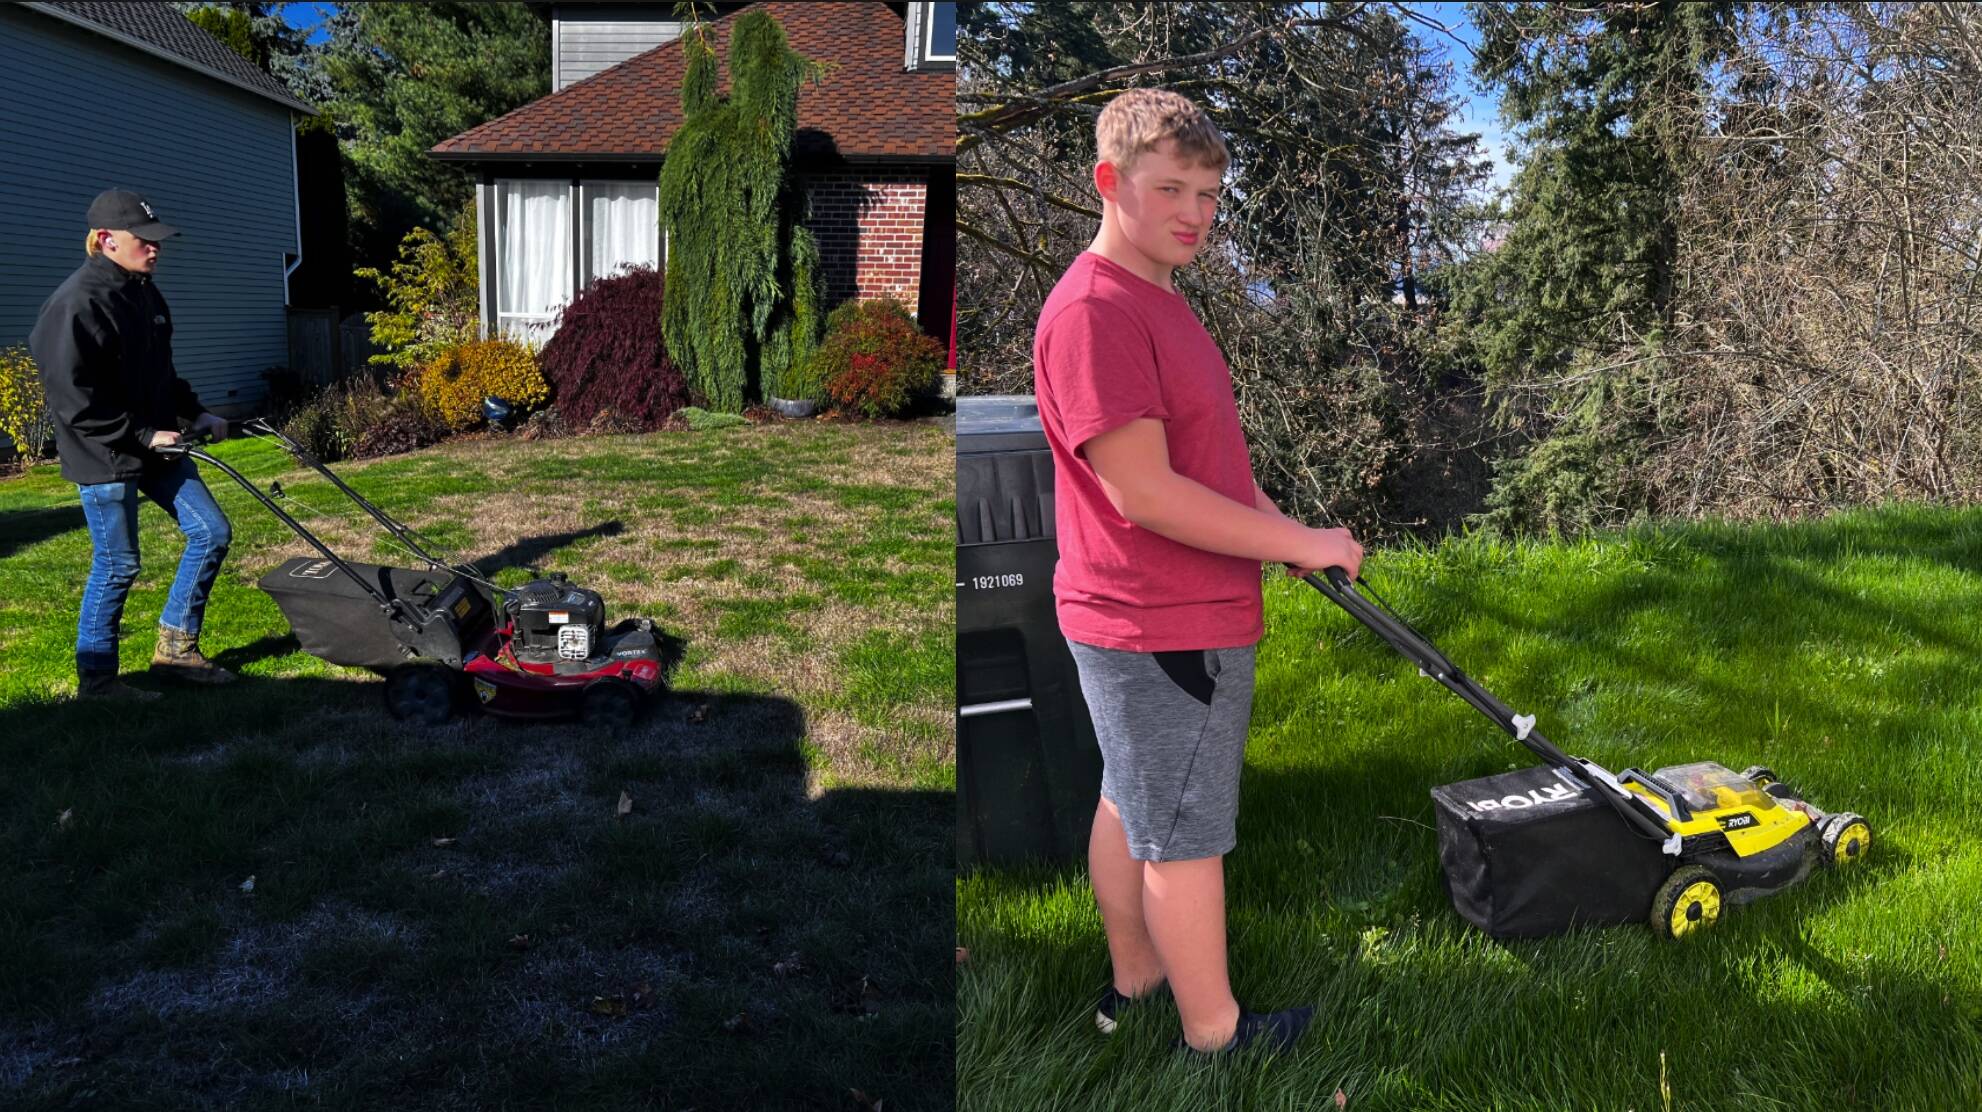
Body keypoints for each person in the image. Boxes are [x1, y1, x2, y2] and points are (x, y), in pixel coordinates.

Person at [1032, 89, 1364, 1056]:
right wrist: (1299, 545)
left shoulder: (1155, 295)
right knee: (1183, 832)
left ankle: (1136, 978)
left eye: (1210, 194)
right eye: (1169, 188)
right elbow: (1143, 492)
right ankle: (1214, 1034)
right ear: (1109, 182)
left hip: (1149, 611)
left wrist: (1286, 531)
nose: (1194, 212)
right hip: (1163, 617)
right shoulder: (1096, 311)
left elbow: (1204, 470)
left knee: (1130, 798)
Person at [29, 189, 236, 701]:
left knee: (211, 532)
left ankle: (176, 649)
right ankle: (98, 679)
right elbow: (73, 397)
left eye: (156, 240)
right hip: (103, 452)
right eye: (143, 240)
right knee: (118, 563)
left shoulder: (143, 292)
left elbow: (159, 373)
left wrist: (197, 411)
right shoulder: (77, 303)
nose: (154, 248)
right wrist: (141, 433)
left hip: (155, 444)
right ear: (105, 241)